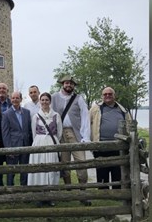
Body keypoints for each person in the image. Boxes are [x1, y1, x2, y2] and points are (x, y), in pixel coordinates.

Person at [51, 75, 91, 206]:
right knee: (64, 164)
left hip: (76, 134)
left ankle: (83, 193)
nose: (69, 85)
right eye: (67, 83)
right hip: (61, 134)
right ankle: (68, 191)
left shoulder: (79, 99)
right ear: (63, 84)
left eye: (71, 84)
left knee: (82, 163)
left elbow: (85, 117)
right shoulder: (54, 97)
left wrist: (85, 137)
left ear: (74, 86)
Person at [89, 87, 132, 189]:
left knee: (117, 170)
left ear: (114, 95)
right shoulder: (95, 109)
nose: (107, 96)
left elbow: (129, 125)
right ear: (102, 96)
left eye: (110, 94)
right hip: (101, 145)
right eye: (105, 94)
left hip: (118, 145)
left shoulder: (122, 110)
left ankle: (116, 191)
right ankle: (103, 192)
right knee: (102, 170)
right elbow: (87, 123)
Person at [27, 92, 62, 207]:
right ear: (40, 102)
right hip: (39, 143)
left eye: (47, 100)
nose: (44, 102)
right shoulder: (36, 116)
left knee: (52, 169)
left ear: (50, 101)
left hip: (52, 143)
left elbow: (59, 133)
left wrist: (53, 141)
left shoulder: (56, 115)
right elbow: (33, 132)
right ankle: (40, 196)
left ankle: (51, 196)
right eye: (42, 100)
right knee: (40, 169)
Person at [2, 91, 32, 186]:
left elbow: (29, 130)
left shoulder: (27, 113)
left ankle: (24, 189)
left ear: (21, 99)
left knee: (25, 169)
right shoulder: (6, 114)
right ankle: (10, 190)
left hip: (25, 145)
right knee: (11, 170)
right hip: (13, 146)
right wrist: (8, 149)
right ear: (10, 100)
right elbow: (5, 133)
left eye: (17, 98)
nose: (15, 100)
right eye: (13, 98)